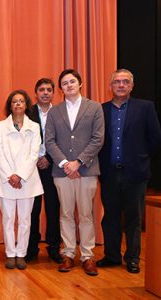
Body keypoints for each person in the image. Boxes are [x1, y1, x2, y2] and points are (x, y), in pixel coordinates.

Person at [97, 69, 161, 273]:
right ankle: (112, 255)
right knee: (111, 216)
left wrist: (140, 159)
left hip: (135, 172)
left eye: (125, 82)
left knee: (134, 218)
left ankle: (133, 258)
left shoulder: (145, 108)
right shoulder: (101, 109)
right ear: (111, 86)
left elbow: (155, 139)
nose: (121, 85)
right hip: (108, 172)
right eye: (117, 82)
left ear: (132, 86)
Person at [45, 69, 104, 276]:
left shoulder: (94, 107)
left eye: (72, 81)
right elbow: (49, 141)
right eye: (64, 83)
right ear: (60, 89)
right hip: (62, 172)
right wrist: (64, 163)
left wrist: (78, 162)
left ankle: (88, 256)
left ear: (80, 84)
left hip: (86, 170)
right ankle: (68, 253)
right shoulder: (54, 111)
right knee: (66, 214)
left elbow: (98, 139)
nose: (68, 85)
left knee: (86, 214)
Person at [0, 90, 43, 270]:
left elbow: (34, 153)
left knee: (25, 219)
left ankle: (22, 254)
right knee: (8, 219)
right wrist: (11, 175)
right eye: (14, 101)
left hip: (27, 180)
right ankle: (10, 254)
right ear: (9, 105)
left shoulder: (34, 127)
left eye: (21, 101)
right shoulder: (0, 126)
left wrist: (20, 175)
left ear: (26, 105)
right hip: (6, 180)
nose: (18, 104)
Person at [26, 78, 62, 264]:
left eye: (49, 89)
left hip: (54, 167)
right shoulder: (27, 112)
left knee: (53, 208)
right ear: (36, 93)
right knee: (32, 209)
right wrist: (37, 158)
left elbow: (64, 140)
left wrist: (48, 158)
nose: (45, 92)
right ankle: (31, 248)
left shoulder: (61, 112)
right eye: (41, 89)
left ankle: (54, 247)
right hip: (31, 168)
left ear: (54, 93)